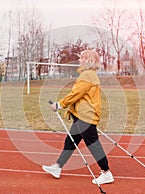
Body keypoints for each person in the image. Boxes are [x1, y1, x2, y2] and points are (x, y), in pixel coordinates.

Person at [42, 49, 114, 185]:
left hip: (85, 117)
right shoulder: (90, 74)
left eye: (81, 58)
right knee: (70, 141)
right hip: (80, 116)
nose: (79, 60)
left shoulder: (87, 75)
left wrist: (59, 105)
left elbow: (76, 94)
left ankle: (106, 173)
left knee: (93, 145)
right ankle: (57, 167)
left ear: (88, 60)